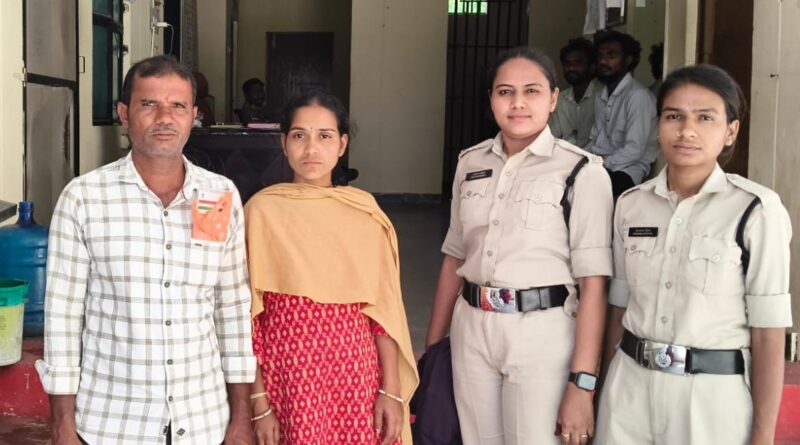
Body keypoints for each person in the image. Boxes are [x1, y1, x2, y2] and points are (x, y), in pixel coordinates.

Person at [36, 56, 256, 445]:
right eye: (149, 104)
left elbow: (231, 307)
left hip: (202, 420)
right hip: (113, 423)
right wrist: (62, 422)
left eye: (178, 106)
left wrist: (241, 417)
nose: (165, 118)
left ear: (194, 116)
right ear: (124, 114)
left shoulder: (217, 195)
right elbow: (63, 315)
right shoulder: (85, 198)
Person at [426, 47, 614, 445]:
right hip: (471, 327)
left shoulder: (581, 171)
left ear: (553, 99)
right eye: (504, 92)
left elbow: (594, 285)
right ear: (491, 99)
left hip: (542, 334)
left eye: (532, 91)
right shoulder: (470, 163)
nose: (517, 103)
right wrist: (433, 348)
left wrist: (582, 383)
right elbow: (454, 258)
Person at [596, 64, 792, 445]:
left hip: (710, 399)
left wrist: (763, 436)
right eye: (674, 116)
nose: (687, 131)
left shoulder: (756, 210)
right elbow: (618, 311)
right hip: (628, 391)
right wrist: (602, 394)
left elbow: (769, 334)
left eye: (705, 118)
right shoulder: (631, 205)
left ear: (730, 131)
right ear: (657, 125)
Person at [245, 91, 418, 445]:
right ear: (283, 143)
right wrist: (259, 401)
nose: (311, 148)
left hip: (356, 378)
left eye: (324, 136)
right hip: (288, 380)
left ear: (342, 144)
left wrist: (391, 390)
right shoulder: (260, 212)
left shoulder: (364, 213)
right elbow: (248, 319)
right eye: (299, 135)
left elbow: (383, 313)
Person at [585, 30, 658, 197]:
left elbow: (634, 150)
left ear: (628, 60)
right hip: (601, 166)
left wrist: (598, 164)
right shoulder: (601, 95)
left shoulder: (638, 96)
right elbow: (595, 140)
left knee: (588, 189)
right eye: (600, 56)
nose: (603, 61)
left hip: (628, 170)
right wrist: (578, 157)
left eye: (611, 55)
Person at [550, 37, 598, 148]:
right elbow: (553, 137)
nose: (571, 68)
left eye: (578, 63)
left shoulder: (602, 97)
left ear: (592, 67)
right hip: (566, 156)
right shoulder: (561, 99)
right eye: (567, 63)